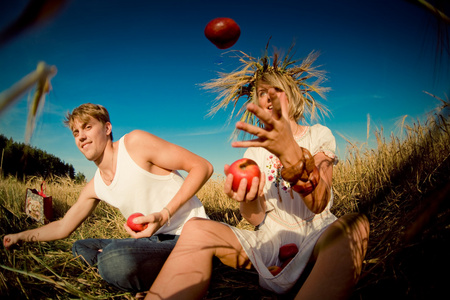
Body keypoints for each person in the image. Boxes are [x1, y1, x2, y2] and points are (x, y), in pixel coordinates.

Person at [146, 47, 370, 299]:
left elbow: (320, 203)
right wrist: (247, 197)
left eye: (277, 90)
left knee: (355, 225)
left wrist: (292, 156)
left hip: (316, 234)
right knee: (196, 229)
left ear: (292, 96)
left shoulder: (319, 134)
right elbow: (255, 219)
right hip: (269, 240)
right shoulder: (255, 153)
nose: (269, 97)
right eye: (262, 93)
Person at [3, 103, 213, 293]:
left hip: (187, 235)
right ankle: (144, 270)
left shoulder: (134, 144)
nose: (81, 136)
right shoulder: (95, 186)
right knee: (81, 247)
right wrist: (20, 236)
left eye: (87, 127)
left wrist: (163, 215)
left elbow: (202, 166)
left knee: (115, 259)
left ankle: (151, 271)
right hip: (150, 241)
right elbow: (63, 227)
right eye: (76, 132)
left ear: (107, 128)